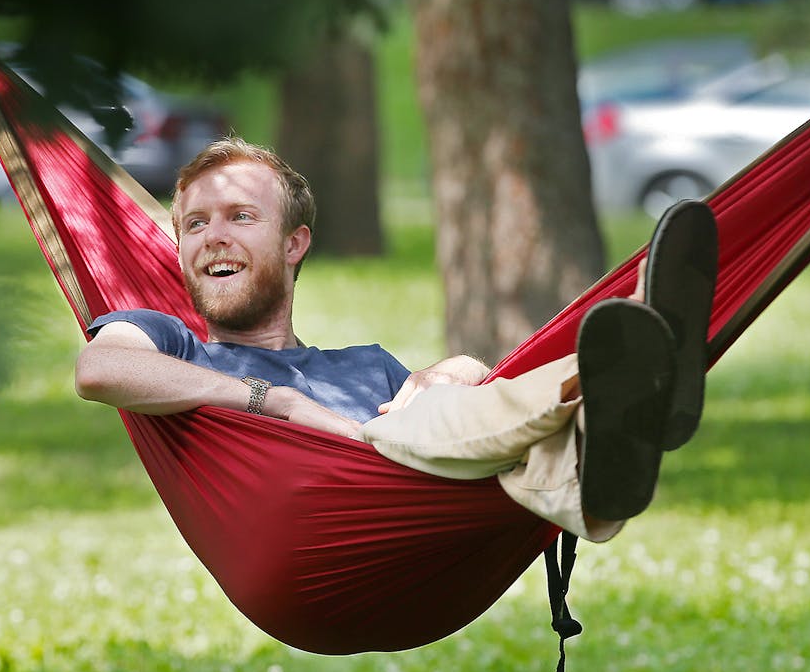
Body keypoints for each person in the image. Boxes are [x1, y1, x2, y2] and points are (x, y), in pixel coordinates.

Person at [75, 138, 718, 542]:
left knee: (446, 402)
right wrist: (271, 402)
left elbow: (460, 427)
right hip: (324, 542)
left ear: (295, 243)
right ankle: (627, 377)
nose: (212, 236)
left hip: (419, 501)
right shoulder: (173, 343)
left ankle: (605, 439)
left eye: (241, 217)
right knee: (442, 421)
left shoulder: (368, 367)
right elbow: (100, 370)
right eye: (194, 224)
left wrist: (452, 371)